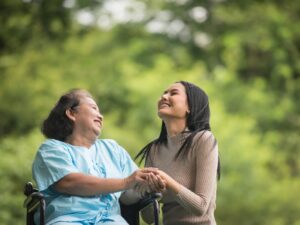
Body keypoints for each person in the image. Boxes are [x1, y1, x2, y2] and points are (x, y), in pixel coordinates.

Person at [32, 89, 164, 225]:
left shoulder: (113, 149)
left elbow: (126, 198)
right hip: (68, 219)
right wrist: (126, 182)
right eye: (93, 108)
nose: (100, 116)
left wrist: (144, 188)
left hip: (111, 221)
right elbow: (69, 182)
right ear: (71, 113)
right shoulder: (51, 149)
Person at [136, 81, 220, 225]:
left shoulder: (203, 140)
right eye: (164, 93)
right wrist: (150, 192)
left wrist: (167, 181)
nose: (164, 96)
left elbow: (201, 207)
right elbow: (149, 219)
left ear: (190, 107)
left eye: (173, 93)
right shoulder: (154, 149)